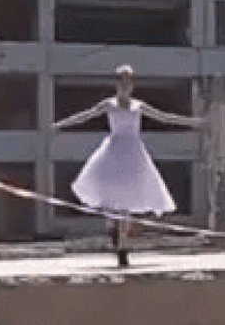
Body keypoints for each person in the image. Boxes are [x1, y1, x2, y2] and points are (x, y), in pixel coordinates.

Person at [53, 65, 206, 268]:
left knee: (126, 205)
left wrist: (191, 122)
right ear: (116, 84)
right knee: (110, 202)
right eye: (121, 81)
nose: (125, 85)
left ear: (132, 85)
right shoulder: (109, 104)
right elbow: (86, 115)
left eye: (128, 81)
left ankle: (123, 249)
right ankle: (113, 231)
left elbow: (164, 116)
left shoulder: (138, 106)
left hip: (133, 154)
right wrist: (61, 124)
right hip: (113, 152)